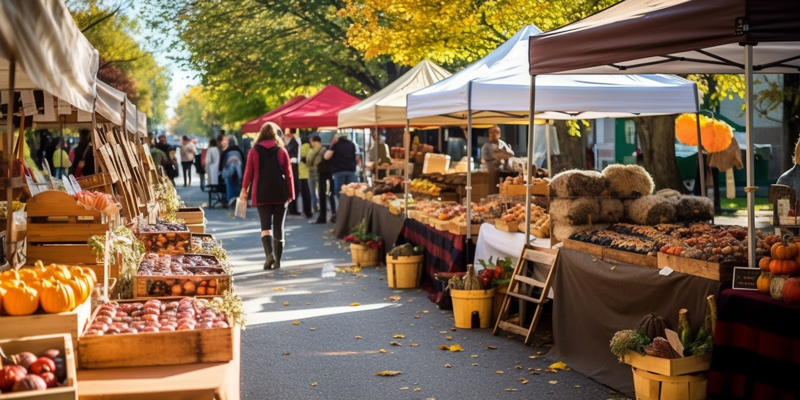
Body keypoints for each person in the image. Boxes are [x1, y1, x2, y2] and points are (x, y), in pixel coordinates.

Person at [240, 122, 294, 270]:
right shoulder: (281, 151)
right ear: (275, 135)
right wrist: (291, 193)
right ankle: (278, 261)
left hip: (261, 192)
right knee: (279, 227)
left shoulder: (254, 151)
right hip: (279, 192)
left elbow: (248, 173)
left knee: (265, 226)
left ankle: (269, 255)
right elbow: (288, 174)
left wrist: (244, 189)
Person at [324, 132, 360, 221]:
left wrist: (331, 145)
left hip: (339, 171)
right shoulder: (352, 144)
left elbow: (326, 157)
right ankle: (352, 213)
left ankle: (341, 213)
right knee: (351, 192)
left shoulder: (335, 144)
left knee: (340, 193)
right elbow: (357, 157)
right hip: (351, 171)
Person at [307, 135, 335, 224]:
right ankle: (333, 212)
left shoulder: (311, 151)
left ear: (313, 141)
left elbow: (308, 161)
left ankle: (315, 207)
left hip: (313, 172)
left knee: (314, 191)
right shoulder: (324, 149)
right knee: (327, 193)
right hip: (324, 172)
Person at [220, 135, 245, 207]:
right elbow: (244, 162)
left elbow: (221, 163)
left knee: (230, 186)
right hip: (239, 172)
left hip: (228, 172)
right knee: (238, 187)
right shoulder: (240, 151)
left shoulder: (226, 151)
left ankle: (230, 201)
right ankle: (238, 202)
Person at [284, 129, 302, 216]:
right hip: (293, 166)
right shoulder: (296, 141)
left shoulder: (293, 141)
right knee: (293, 187)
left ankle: (292, 208)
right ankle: (292, 208)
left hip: (292, 166)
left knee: (293, 187)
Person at [298, 137, 313, 218]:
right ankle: (308, 211)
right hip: (305, 173)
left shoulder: (304, 146)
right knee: (306, 194)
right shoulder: (307, 147)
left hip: (303, 173)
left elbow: (304, 158)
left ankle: (307, 211)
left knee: (305, 194)